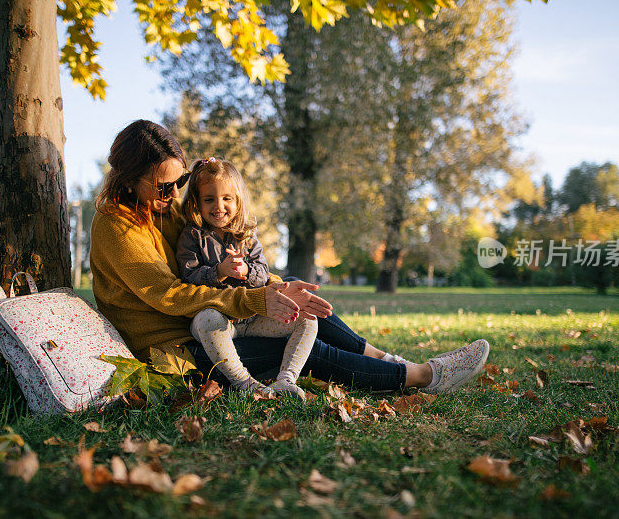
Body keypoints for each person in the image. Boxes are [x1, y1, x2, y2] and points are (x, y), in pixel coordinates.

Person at [89, 119, 489, 396]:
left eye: (179, 182)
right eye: (163, 186)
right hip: (179, 351)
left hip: (216, 322)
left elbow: (230, 260)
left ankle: (389, 359)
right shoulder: (116, 228)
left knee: (305, 308)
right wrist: (259, 299)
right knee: (304, 351)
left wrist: (278, 288)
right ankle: (422, 376)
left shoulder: (167, 210)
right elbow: (171, 296)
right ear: (128, 178)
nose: (174, 193)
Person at [176, 157, 316, 399]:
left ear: (237, 200)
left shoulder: (247, 236)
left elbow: (264, 272)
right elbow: (188, 278)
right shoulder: (192, 236)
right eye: (209, 199)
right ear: (197, 202)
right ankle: (244, 383)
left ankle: (287, 379)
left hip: (252, 319)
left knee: (307, 317)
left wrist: (247, 272)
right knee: (205, 318)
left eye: (226, 198)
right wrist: (218, 271)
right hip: (220, 320)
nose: (218, 206)